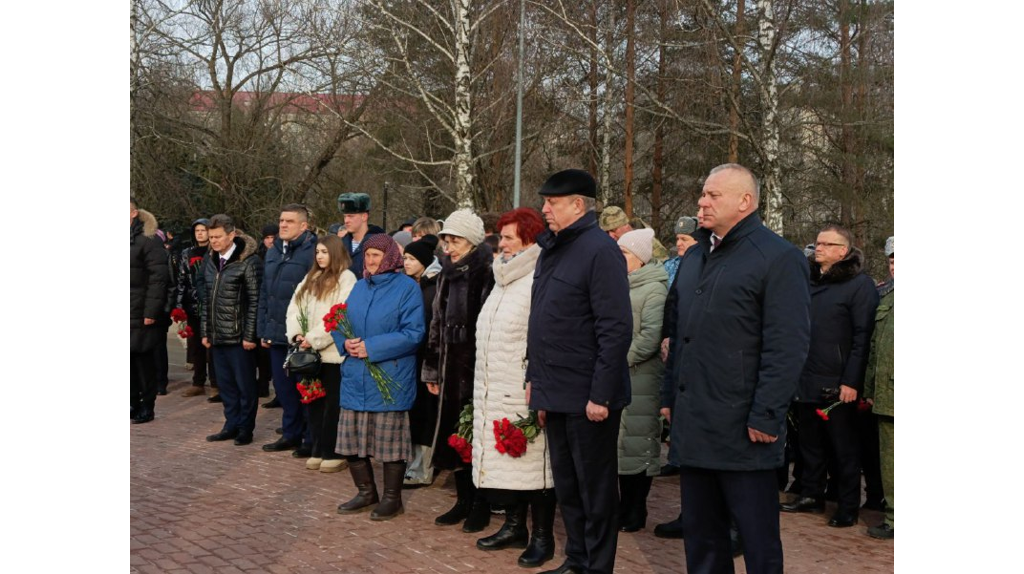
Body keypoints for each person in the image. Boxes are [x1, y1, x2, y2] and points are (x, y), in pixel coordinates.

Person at [662, 163, 810, 574]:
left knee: (757, 541)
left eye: (713, 195)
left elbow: (788, 344)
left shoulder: (777, 257)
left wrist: (767, 413)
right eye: (703, 194)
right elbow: (677, 334)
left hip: (745, 427)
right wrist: (669, 397)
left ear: (745, 202)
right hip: (695, 421)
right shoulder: (694, 257)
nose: (701, 202)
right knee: (703, 538)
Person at [526, 169, 633, 574]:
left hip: (589, 395)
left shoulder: (599, 250)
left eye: (552, 202)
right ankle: (577, 559)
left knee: (596, 490)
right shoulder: (553, 248)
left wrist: (601, 395)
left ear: (578, 205)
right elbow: (542, 321)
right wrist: (535, 383)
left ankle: (597, 566)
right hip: (556, 390)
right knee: (568, 488)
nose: (545, 209)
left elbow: (615, 326)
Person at [470, 208, 557, 568]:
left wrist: (535, 380)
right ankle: (514, 525)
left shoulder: (538, 277)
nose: (500, 243)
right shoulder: (503, 278)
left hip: (524, 388)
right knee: (511, 462)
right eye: (501, 237)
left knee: (537, 467)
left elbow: (544, 334)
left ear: (529, 238)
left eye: (507, 237)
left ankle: (543, 536)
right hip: (496, 386)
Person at [781, 224, 878, 529]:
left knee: (844, 448)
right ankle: (811, 494)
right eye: (817, 242)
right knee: (809, 444)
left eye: (826, 244)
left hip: (837, 384)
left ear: (843, 251)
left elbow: (864, 337)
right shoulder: (808, 281)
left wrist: (851, 381)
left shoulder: (858, 286)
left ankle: (848, 505)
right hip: (805, 377)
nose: (818, 247)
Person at [333, 233, 425, 521]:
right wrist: (344, 342)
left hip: (390, 375)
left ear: (390, 257)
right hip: (355, 376)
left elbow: (414, 333)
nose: (371, 261)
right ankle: (366, 492)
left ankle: (391, 498)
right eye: (368, 255)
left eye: (377, 255)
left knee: (389, 443)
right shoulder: (359, 287)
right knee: (350, 441)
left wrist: (371, 347)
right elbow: (341, 321)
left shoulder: (407, 288)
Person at [423, 209, 496, 533]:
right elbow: (436, 324)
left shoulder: (486, 272)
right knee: (456, 436)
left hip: (476, 370)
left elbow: (488, 326)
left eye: (455, 241)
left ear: (471, 241)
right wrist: (432, 370)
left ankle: (480, 503)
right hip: (449, 371)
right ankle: (463, 499)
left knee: (475, 438)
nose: (448, 248)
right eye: (446, 241)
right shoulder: (446, 274)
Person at [285, 235, 357, 473]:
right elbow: (295, 307)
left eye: (325, 252)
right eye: (317, 252)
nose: (320, 256)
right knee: (314, 402)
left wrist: (314, 338)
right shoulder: (311, 277)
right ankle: (317, 448)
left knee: (332, 405)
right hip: (309, 354)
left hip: (332, 353)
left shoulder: (346, 278)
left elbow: (340, 314)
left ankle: (334, 451)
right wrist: (297, 335)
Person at [614, 228, 667, 533]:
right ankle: (624, 508)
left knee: (639, 446)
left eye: (624, 254)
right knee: (621, 447)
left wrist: (615, 362)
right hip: (620, 376)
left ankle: (636, 510)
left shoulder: (654, 289)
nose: (618, 258)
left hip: (641, 378)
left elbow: (650, 337)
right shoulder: (622, 284)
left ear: (640, 259)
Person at [259, 204, 317, 455]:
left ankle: (309, 438)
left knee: (305, 389)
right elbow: (265, 292)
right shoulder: (273, 252)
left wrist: (309, 333)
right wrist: (263, 328)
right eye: (281, 220)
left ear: (303, 226)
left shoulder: (313, 252)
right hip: (275, 334)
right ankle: (290, 433)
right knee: (283, 390)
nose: (283, 225)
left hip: (300, 336)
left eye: (289, 221)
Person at [201, 214, 263, 445]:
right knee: (225, 386)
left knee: (245, 386)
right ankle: (231, 424)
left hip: (239, 338)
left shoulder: (248, 261)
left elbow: (255, 300)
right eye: (211, 238)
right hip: (218, 336)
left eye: (218, 237)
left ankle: (246, 428)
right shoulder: (210, 261)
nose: (214, 242)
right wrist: (206, 331)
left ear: (232, 234)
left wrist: (249, 335)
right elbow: (207, 298)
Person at [402, 235, 442, 486]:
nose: (406, 263)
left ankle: (424, 467)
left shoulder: (434, 288)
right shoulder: (409, 285)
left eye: (411, 259)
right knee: (414, 412)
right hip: (410, 358)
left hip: (427, 358)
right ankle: (414, 462)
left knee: (427, 413)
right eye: (404, 257)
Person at [863, 236, 894, 540]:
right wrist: (870, 386)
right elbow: (874, 348)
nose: (895, 267)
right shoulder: (886, 298)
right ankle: (894, 518)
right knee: (890, 462)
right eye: (892, 261)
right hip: (888, 397)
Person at [130, 197, 170, 424]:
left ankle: (147, 406)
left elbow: (159, 278)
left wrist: (151, 311)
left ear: (134, 213)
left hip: (141, 309)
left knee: (143, 361)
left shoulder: (148, 239)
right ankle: (132, 403)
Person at [178, 218, 218, 399]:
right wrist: (179, 305)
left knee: (211, 346)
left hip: (210, 304)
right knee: (195, 347)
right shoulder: (187, 253)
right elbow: (181, 279)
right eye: (197, 231)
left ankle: (216, 383)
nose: (200, 233)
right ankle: (198, 381)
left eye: (203, 230)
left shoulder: (215, 251)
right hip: (192, 304)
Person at [339, 192, 384, 274]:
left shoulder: (380, 244)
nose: (346, 221)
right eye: (345, 216)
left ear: (364, 217)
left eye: (351, 216)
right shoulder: (340, 244)